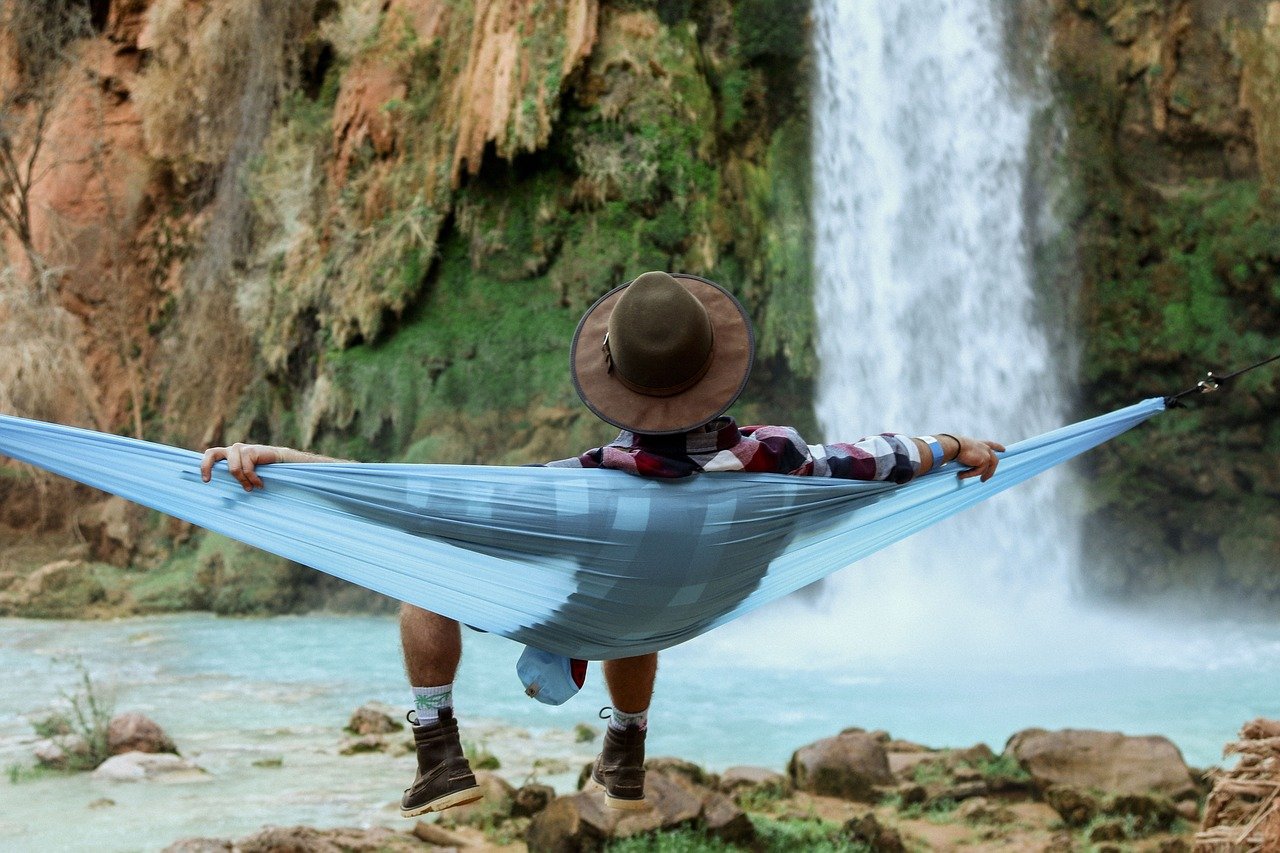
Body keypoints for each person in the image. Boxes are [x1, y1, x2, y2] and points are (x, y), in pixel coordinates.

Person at [200, 270, 1003, 816]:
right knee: (637, 602)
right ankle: (625, 752)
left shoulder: (577, 487)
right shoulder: (786, 460)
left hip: (597, 602)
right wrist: (950, 441)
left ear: (616, 383)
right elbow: (881, 457)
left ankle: (439, 751)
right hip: (676, 612)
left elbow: (409, 500)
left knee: (427, 572)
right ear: (717, 371)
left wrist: (290, 466)